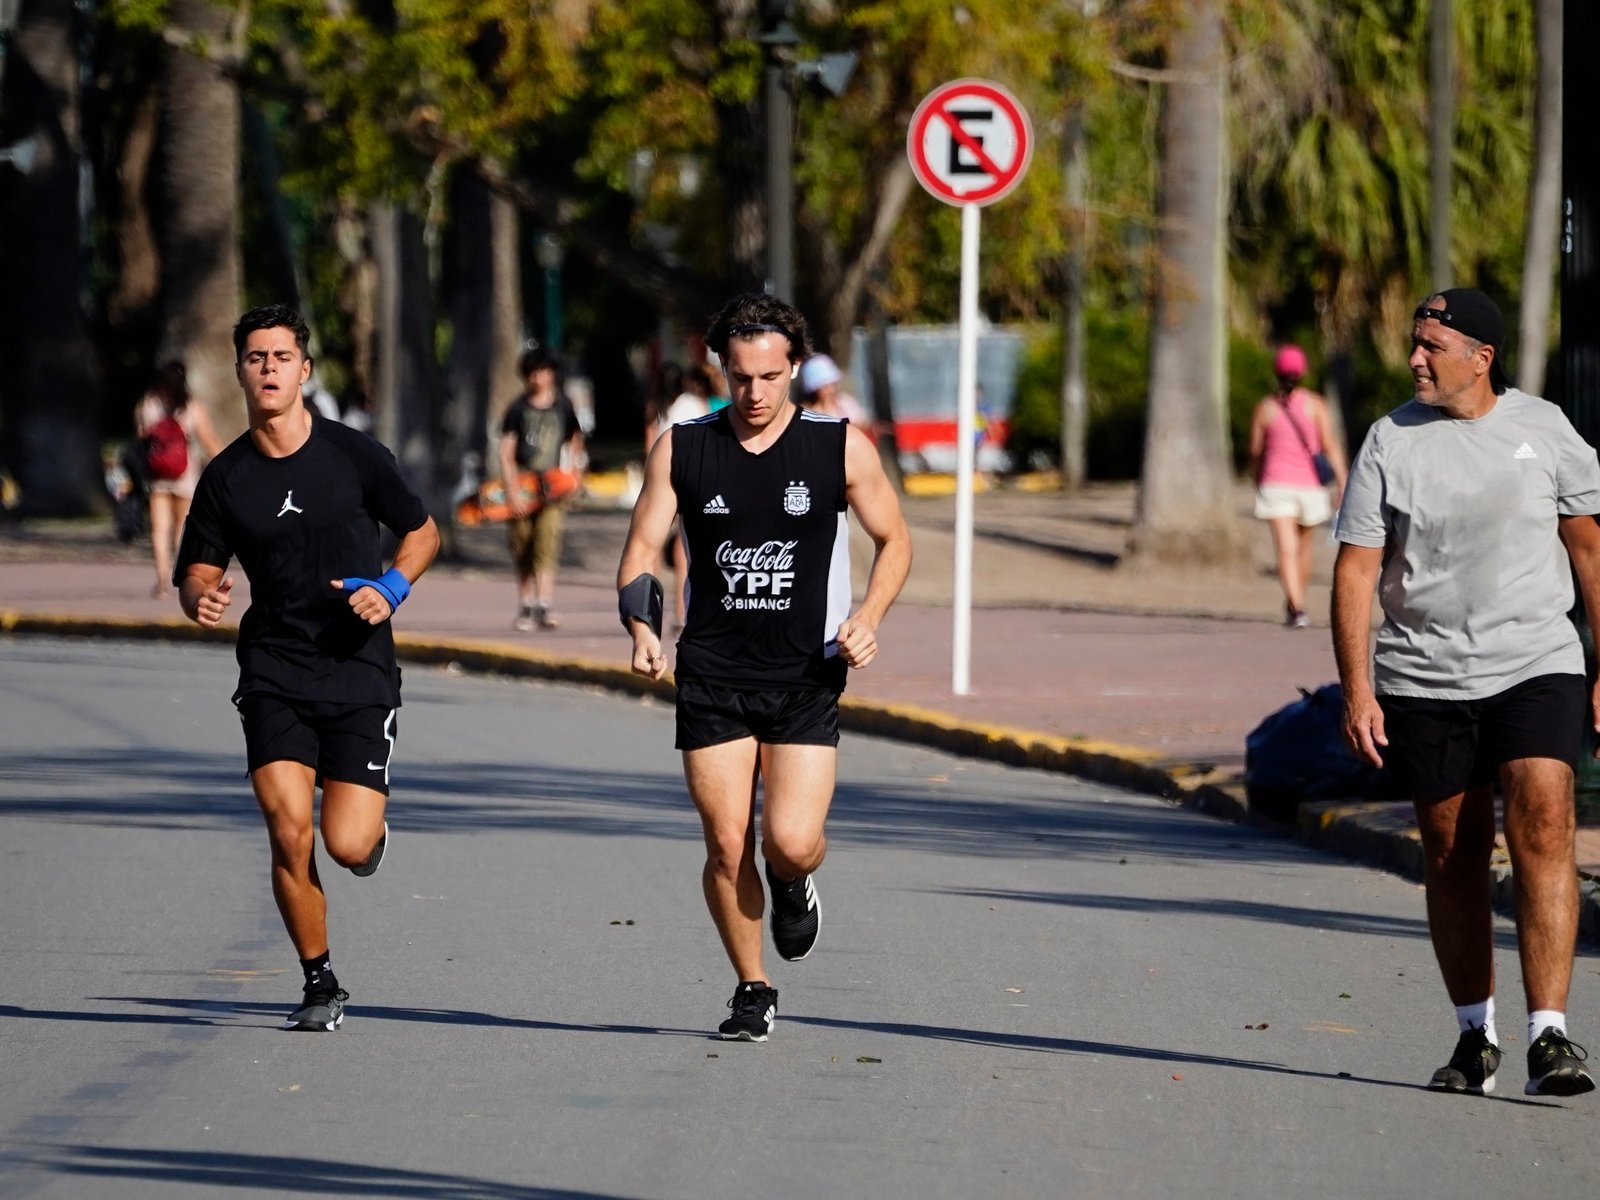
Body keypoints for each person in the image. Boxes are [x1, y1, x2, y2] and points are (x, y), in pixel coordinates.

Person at [617, 293, 912, 1042]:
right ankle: (753, 985)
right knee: (724, 842)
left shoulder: (837, 447)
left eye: (771, 377)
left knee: (788, 840)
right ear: (722, 368)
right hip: (712, 671)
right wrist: (643, 627)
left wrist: (869, 617)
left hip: (806, 674)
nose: (755, 394)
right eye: (741, 377)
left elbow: (896, 540)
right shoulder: (682, 448)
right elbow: (641, 553)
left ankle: (793, 881)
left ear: (793, 369)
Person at [1333, 287, 1600, 1097]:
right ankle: (1473, 1036)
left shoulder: (1545, 429)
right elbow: (1356, 570)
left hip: (1536, 660)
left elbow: (1591, 553)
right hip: (1426, 674)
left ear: (1481, 358)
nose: (1416, 358)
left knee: (1545, 821)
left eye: (1433, 346)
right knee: (1451, 856)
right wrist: (1357, 688)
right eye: (1415, 343)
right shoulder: (1390, 440)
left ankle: (1548, 1037)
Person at [173, 303, 440, 1032]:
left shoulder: (353, 455)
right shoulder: (227, 477)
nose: (268, 369)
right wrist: (202, 594)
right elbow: (196, 566)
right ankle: (319, 980)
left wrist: (391, 588)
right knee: (288, 827)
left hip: (358, 669)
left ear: (304, 370)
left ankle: (371, 836)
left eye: (281, 357)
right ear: (240, 372)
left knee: (346, 843)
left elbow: (421, 533)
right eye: (255, 358)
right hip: (274, 669)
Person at [1247, 345, 1346, 628]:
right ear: (1302, 373)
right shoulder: (1315, 405)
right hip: (1310, 488)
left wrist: (1256, 476)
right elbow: (1331, 446)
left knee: (1287, 549)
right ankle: (1296, 603)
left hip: (1276, 484)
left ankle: (1296, 604)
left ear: (1276, 373)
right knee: (1302, 549)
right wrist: (1342, 481)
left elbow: (1255, 451)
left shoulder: (1265, 408)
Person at [497, 346, 585, 631]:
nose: (539, 377)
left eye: (544, 371)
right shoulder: (517, 409)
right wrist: (511, 490)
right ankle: (525, 603)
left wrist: (574, 475)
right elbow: (506, 451)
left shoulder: (563, 406)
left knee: (547, 541)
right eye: (533, 372)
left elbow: (575, 439)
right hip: (523, 484)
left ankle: (544, 603)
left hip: (553, 486)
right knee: (523, 544)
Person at [133, 361, 222, 599]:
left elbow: (141, 438)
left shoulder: (149, 404)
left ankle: (161, 581)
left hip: (157, 476)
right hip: (185, 477)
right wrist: (228, 463)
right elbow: (208, 439)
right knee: (181, 530)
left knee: (159, 530)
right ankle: (180, 576)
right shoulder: (191, 406)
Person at [798, 353, 872, 431]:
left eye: (833, 384)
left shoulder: (845, 403)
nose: (831, 390)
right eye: (825, 386)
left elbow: (864, 424)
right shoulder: (806, 412)